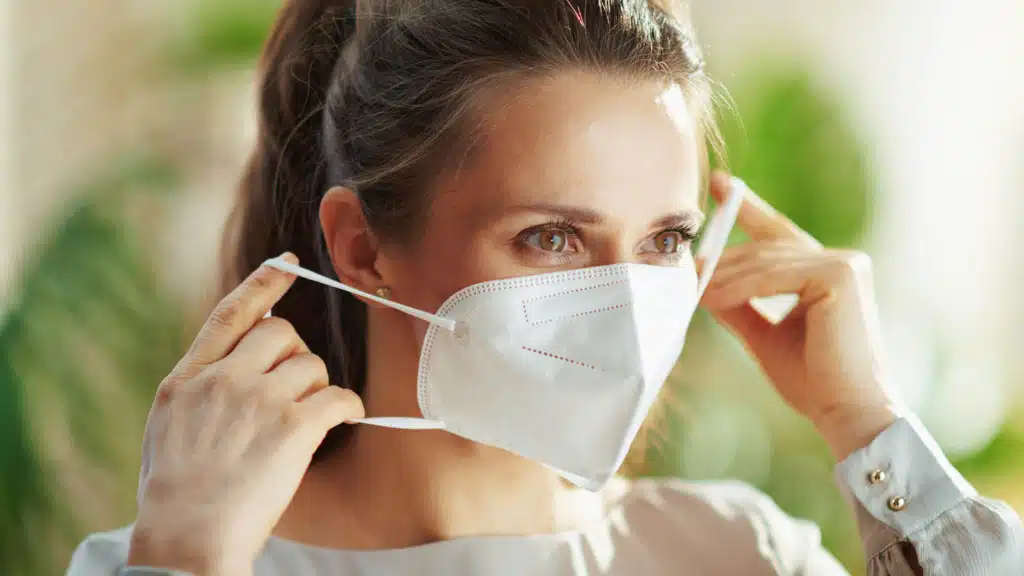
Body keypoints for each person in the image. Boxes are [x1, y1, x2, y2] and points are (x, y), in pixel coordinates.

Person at [67, 1, 1023, 574]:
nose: (627, 302)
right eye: (554, 237)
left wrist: (869, 420)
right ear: (361, 249)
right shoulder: (168, 557)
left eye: (665, 239)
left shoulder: (733, 552)